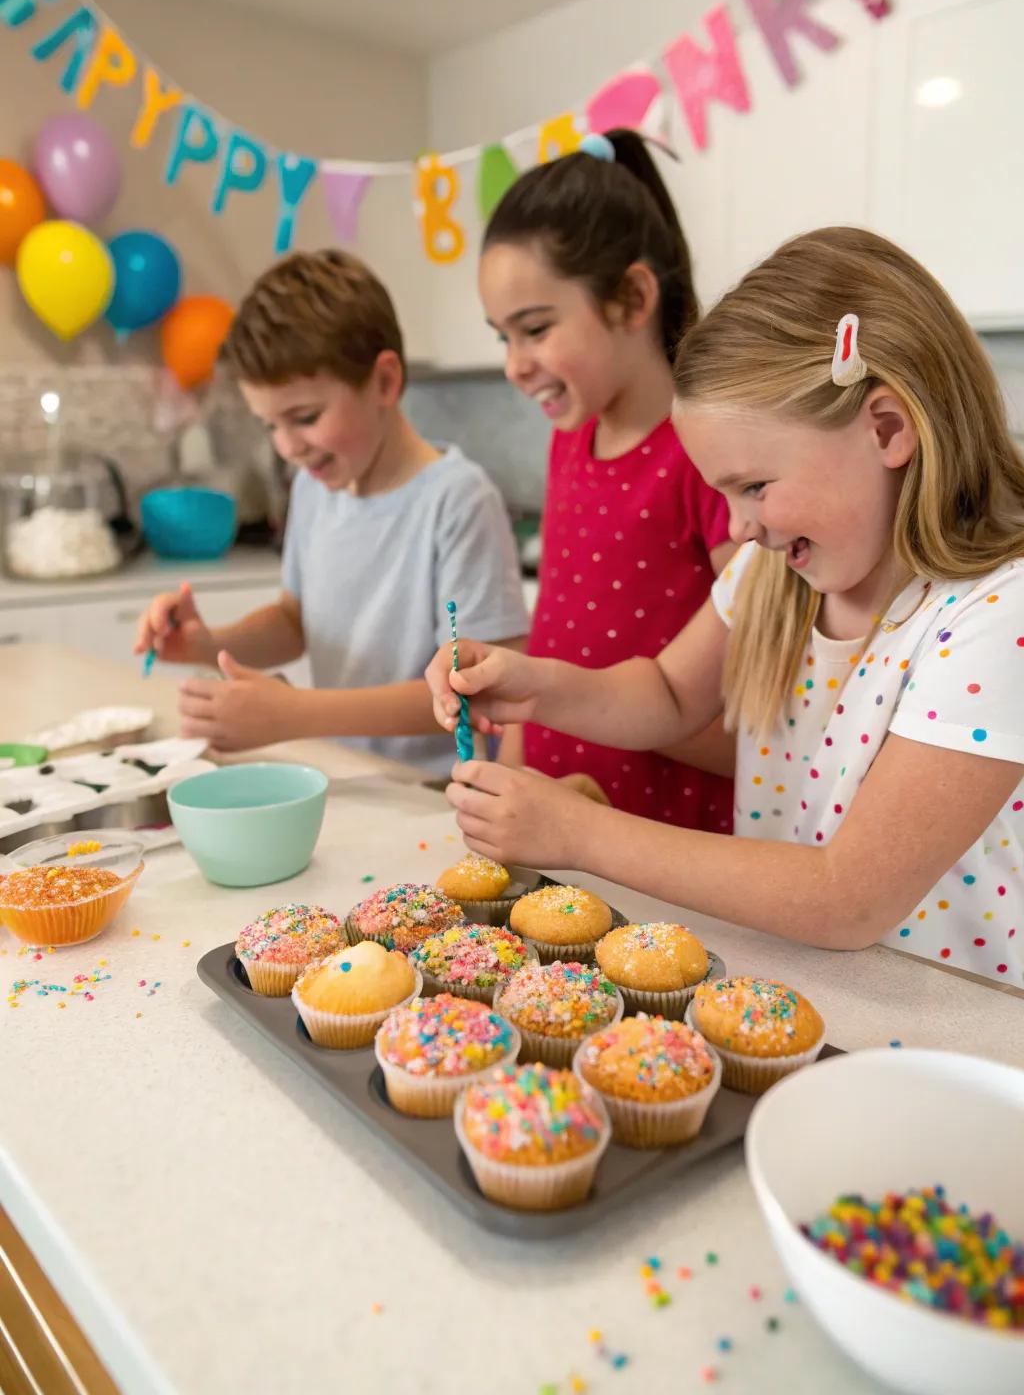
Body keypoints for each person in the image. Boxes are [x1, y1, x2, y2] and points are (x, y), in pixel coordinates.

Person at [427, 227, 1024, 985]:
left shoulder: (996, 614)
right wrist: (531, 684)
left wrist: (578, 835)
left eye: (754, 486)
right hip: (800, 986)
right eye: (724, 493)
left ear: (887, 429)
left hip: (957, 1033)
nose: (738, 526)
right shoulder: (776, 576)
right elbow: (670, 694)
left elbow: (849, 898)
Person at [135, 250, 528, 773]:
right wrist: (211, 643)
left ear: (385, 382)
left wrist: (296, 713)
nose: (287, 446)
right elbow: (296, 621)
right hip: (344, 776)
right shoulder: (315, 488)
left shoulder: (457, 500)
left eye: (304, 417)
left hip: (435, 797)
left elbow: (477, 691)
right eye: (269, 425)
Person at [479, 128, 734, 830]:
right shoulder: (572, 441)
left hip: (666, 839)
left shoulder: (713, 459)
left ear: (631, 296)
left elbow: (756, 729)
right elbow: (552, 637)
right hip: (555, 830)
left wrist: (571, 702)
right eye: (502, 336)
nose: (513, 363)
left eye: (534, 329)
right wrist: (514, 772)